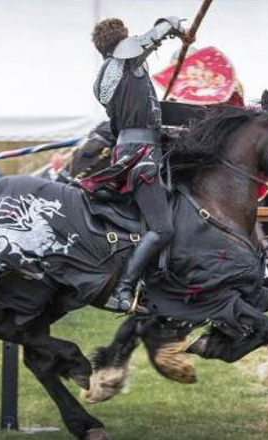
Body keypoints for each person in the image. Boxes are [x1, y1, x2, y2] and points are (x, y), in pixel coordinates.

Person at [80, 16, 189, 312]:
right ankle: (124, 290)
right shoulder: (124, 62)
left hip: (132, 149)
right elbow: (148, 39)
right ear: (121, 42)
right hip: (142, 155)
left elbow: (128, 123)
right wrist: (175, 25)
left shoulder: (110, 78)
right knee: (163, 229)